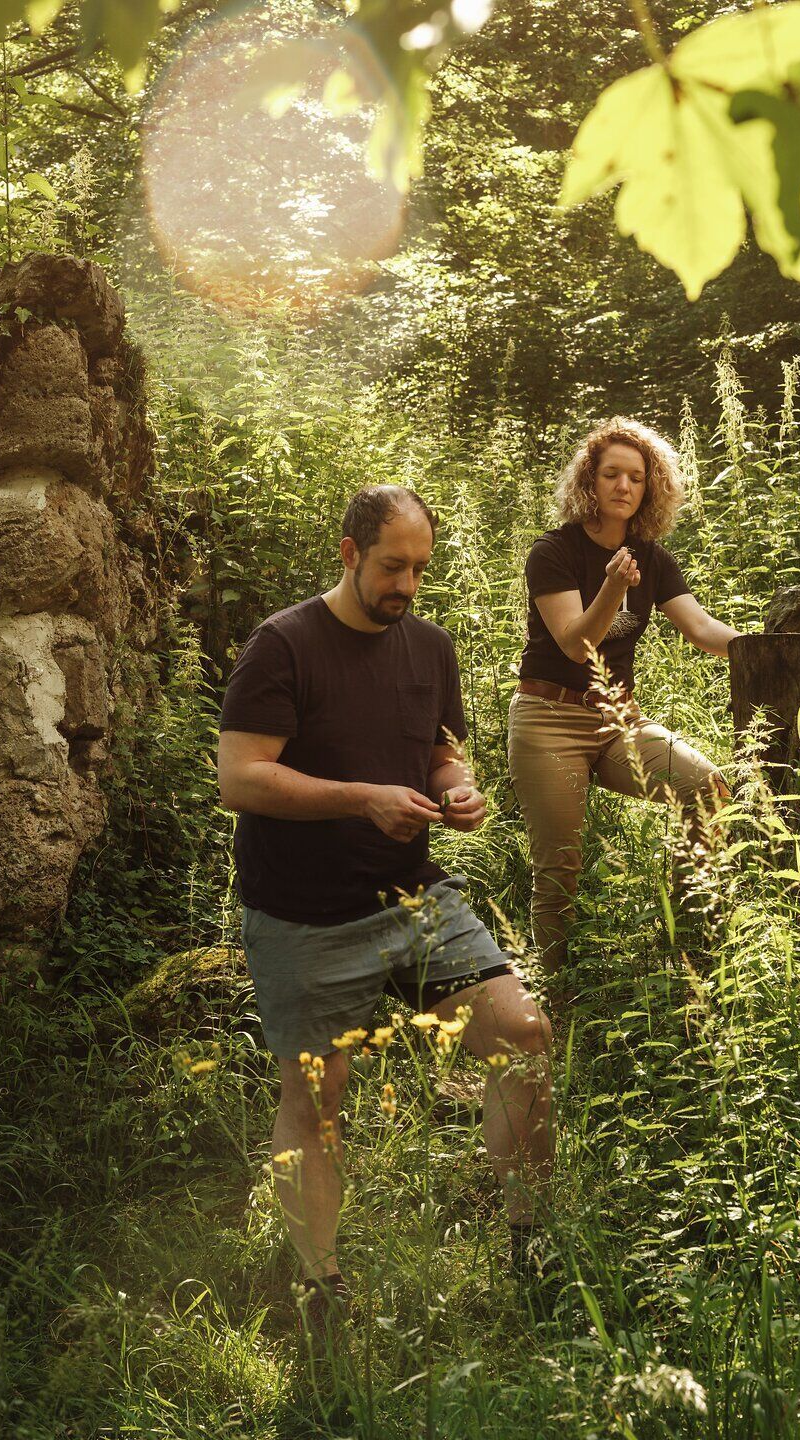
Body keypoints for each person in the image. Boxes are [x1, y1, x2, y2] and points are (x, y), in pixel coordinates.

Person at [217, 484, 556, 1334]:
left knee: (523, 1035)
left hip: (412, 895)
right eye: (390, 566)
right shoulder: (283, 646)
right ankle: (319, 1286)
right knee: (317, 1096)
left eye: (418, 568)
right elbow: (242, 778)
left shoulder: (430, 647)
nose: (405, 584)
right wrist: (359, 799)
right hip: (303, 912)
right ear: (348, 552)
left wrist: (460, 789)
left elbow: (440, 750)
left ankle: (530, 1243)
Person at [507, 417, 742, 966]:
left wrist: (772, 647)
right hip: (549, 720)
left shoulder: (653, 557)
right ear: (589, 481)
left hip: (618, 722)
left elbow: (704, 630)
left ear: (649, 486)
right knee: (560, 862)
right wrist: (613, 585)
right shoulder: (554, 552)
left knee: (707, 787)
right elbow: (574, 643)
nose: (623, 487)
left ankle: (693, 948)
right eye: (611, 474)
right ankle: (554, 989)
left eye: (635, 478)